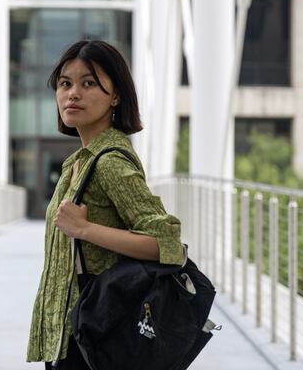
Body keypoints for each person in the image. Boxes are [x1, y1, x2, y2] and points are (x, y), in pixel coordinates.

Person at [26, 40, 185, 369]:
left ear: (115, 96)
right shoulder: (77, 163)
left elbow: (167, 243)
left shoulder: (110, 162)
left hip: (97, 331)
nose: (72, 94)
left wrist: (85, 229)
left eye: (88, 84)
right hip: (72, 332)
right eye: (65, 84)